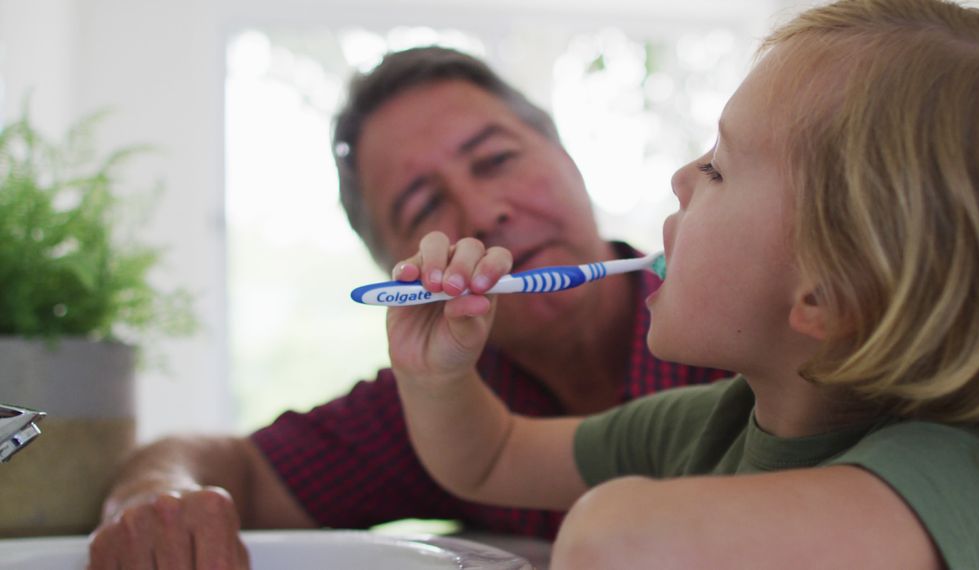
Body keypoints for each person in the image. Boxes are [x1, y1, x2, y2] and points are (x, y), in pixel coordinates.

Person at [385, 0, 979, 567]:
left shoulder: (976, 470)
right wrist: (434, 373)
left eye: (717, 168)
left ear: (828, 292)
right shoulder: (710, 423)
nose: (681, 179)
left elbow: (618, 543)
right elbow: (492, 457)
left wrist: (609, 519)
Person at [87, 48, 724, 566]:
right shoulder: (432, 401)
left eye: (497, 159)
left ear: (567, 156)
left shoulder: (745, 329)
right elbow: (233, 469)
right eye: (423, 208)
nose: (481, 212)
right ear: (393, 265)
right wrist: (156, 498)